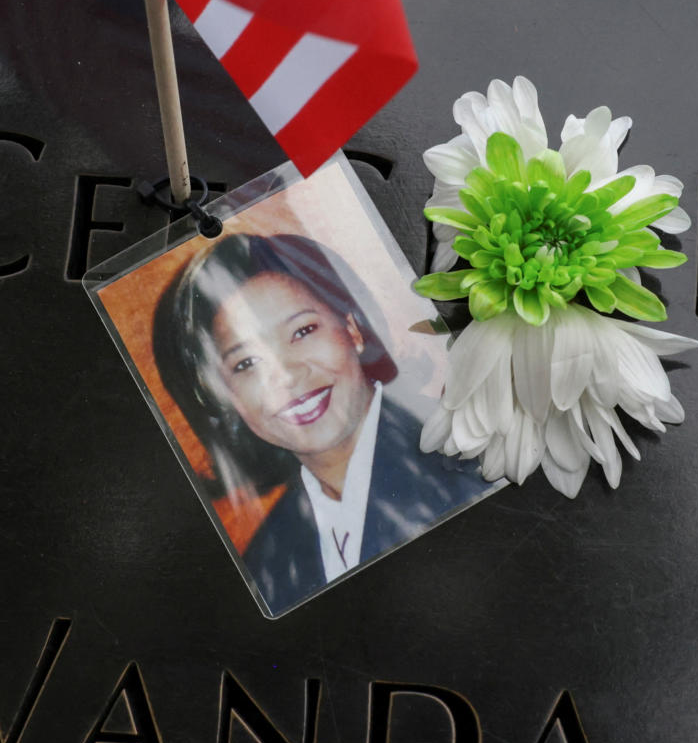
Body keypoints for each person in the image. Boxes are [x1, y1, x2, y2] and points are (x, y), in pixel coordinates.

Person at [152, 231, 485, 615]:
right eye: (246, 364)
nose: (288, 375)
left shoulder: (472, 464)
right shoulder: (264, 564)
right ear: (227, 402)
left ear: (353, 329)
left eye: (302, 331)